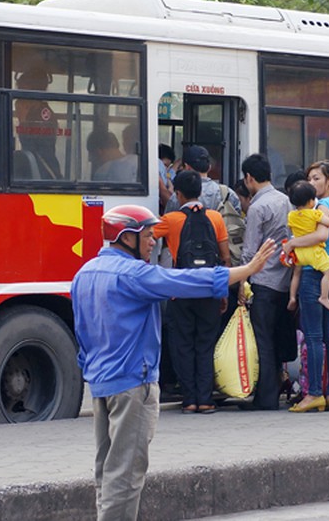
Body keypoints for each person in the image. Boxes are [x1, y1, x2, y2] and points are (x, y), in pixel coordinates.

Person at [71, 204, 274, 521]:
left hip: (100, 385)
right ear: (127, 238)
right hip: (132, 385)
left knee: (106, 470)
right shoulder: (134, 274)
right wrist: (246, 271)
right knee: (125, 474)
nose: (154, 242)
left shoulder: (84, 274)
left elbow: (81, 332)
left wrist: (91, 369)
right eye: (148, 236)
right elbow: (187, 282)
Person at [154, 170, 230, 414]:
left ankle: (189, 400)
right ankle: (206, 399)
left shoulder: (171, 219)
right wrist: (223, 293)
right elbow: (225, 258)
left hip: (180, 291)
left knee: (183, 345)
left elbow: (146, 235)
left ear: (178, 194)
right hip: (209, 290)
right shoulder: (216, 218)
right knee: (206, 345)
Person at [283, 160, 329, 413]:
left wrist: (292, 243)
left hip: (314, 275)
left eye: (316, 179)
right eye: (309, 179)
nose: (311, 184)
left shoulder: (322, 206)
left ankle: (313, 394)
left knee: (313, 337)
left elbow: (321, 236)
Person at [237, 154, 294, 411]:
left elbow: (249, 251)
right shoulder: (286, 201)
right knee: (276, 337)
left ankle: (266, 399)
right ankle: (275, 391)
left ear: (249, 178)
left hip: (263, 281)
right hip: (284, 280)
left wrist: (241, 281)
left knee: (263, 341)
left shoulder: (257, 207)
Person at [285, 180, 329, 312]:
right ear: (310, 202)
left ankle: (292, 297)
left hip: (299, 253)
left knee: (296, 274)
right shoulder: (315, 214)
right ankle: (324, 297)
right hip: (313, 252)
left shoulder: (291, 215)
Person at [165, 145, 242, 215]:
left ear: (187, 167)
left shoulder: (179, 196)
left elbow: (169, 221)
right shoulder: (228, 194)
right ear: (209, 167)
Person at [15, 67, 61, 179]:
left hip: (43, 174)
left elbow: (31, 149)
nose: (20, 99)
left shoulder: (43, 116)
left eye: (23, 92)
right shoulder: (33, 112)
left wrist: (23, 121)